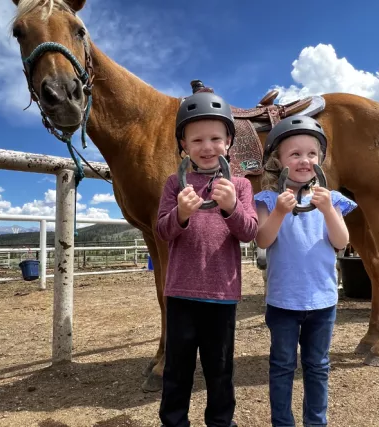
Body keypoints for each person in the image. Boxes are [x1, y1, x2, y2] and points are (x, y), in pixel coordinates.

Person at [156, 91, 259, 427]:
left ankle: (221, 423)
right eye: (197, 139)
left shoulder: (240, 185)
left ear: (229, 142)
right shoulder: (175, 183)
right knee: (177, 371)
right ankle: (174, 422)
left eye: (216, 138)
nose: (207, 146)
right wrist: (181, 214)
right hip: (181, 294)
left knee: (220, 371)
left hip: (221, 296)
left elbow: (249, 232)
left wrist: (230, 207)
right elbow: (162, 231)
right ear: (183, 145)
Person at [254, 115, 357, 427]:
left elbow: (341, 242)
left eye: (311, 154)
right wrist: (280, 212)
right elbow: (262, 239)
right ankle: (282, 423)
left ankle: (316, 422)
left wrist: (327, 210)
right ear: (279, 160)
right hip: (283, 302)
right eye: (294, 154)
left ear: (321, 160)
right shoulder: (268, 200)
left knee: (317, 366)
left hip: (322, 302)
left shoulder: (332, 199)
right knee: (282, 366)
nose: (304, 160)